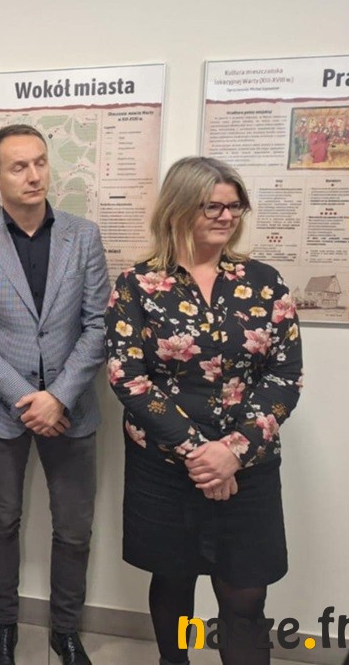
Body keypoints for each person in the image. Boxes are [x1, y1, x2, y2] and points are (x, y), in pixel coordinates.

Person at [105, 156, 303, 665]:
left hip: (248, 465)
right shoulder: (137, 285)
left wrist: (232, 452)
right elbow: (128, 376)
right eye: (212, 206)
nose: (226, 216)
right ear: (179, 208)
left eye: (235, 206)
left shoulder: (265, 281)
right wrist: (199, 453)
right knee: (174, 581)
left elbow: (285, 375)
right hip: (167, 466)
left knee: (245, 597)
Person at [0, 124, 110, 665]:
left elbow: (98, 326)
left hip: (72, 409)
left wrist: (58, 397)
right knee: (1, 522)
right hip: (1, 412)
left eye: (40, 162)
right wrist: (29, 399)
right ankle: (5, 626)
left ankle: (66, 630)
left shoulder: (82, 236)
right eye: (19, 166)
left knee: (74, 529)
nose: (34, 174)